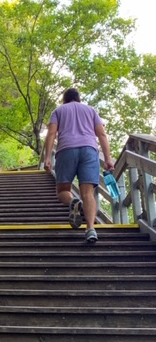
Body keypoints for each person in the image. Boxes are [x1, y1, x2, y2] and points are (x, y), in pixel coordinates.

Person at [44, 87, 114, 244]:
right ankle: (90, 229)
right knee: (88, 193)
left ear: (65, 99)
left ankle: (74, 202)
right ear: (78, 98)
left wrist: (48, 157)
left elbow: (51, 134)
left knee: (63, 191)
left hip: (66, 150)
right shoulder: (90, 110)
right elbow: (101, 134)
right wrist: (108, 158)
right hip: (89, 150)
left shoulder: (58, 111)